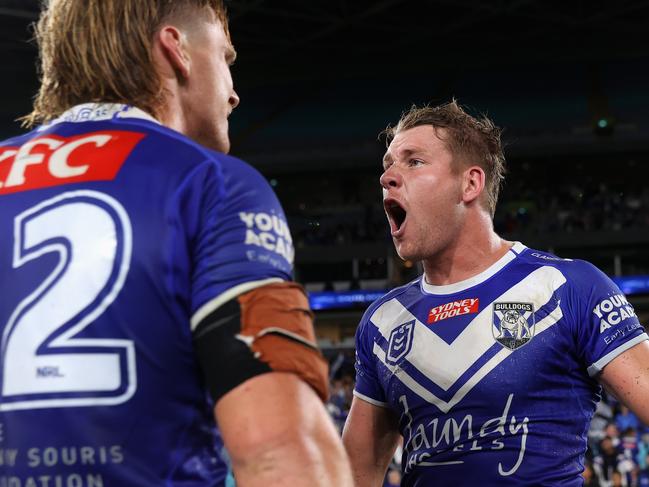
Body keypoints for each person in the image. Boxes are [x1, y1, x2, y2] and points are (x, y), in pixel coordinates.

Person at [0, 1, 353, 486]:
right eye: (225, 60)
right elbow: (279, 452)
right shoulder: (212, 184)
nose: (234, 94)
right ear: (177, 50)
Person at [342, 100, 649, 486]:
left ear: (470, 183)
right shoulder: (382, 323)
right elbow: (353, 475)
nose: (388, 176)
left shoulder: (567, 288)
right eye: (387, 165)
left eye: (413, 161)